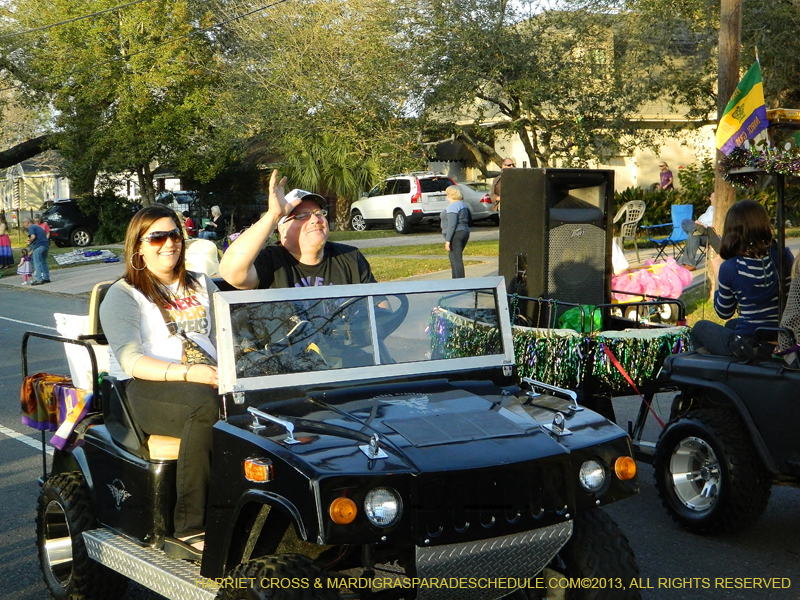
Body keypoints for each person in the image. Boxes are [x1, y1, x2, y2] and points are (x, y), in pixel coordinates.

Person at [99, 204, 219, 559]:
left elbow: (231, 333)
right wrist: (188, 373)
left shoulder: (200, 282)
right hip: (144, 388)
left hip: (206, 377)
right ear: (138, 246)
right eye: (157, 237)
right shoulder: (123, 295)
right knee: (205, 407)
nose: (169, 244)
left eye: (175, 235)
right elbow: (132, 360)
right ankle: (190, 526)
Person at [219, 170, 377, 289]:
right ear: (283, 229)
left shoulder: (350, 257)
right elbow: (231, 273)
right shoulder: (270, 261)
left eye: (318, 213)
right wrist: (273, 215)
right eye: (302, 216)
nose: (315, 219)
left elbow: (380, 308)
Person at [691, 200, 794, 358]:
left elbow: (723, 311)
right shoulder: (782, 255)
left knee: (699, 328)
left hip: (749, 345)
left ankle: (719, 370)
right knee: (731, 325)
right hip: (781, 337)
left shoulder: (731, 267)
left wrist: (718, 270)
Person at [680, 192, 718, 271]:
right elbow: (701, 219)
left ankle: (689, 264)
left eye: (711, 197)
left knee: (693, 234)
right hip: (700, 230)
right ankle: (697, 229)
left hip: (709, 236)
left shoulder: (719, 211)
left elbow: (715, 227)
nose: (709, 199)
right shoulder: (710, 208)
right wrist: (698, 223)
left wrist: (703, 226)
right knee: (685, 221)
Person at [441, 185, 470, 278]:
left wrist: (448, 240)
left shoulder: (452, 206)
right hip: (464, 231)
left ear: (449, 195)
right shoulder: (463, 204)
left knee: (455, 259)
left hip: (455, 234)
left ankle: (459, 282)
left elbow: (452, 225)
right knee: (454, 257)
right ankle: (455, 280)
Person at [22, 217, 50, 285]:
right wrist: (31, 251)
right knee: (43, 262)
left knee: (37, 262)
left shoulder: (31, 227)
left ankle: (39, 279)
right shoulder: (37, 227)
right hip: (45, 245)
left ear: (27, 222)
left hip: (39, 247)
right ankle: (46, 278)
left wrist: (29, 241)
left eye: (23, 222)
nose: (23, 224)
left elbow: (33, 237)